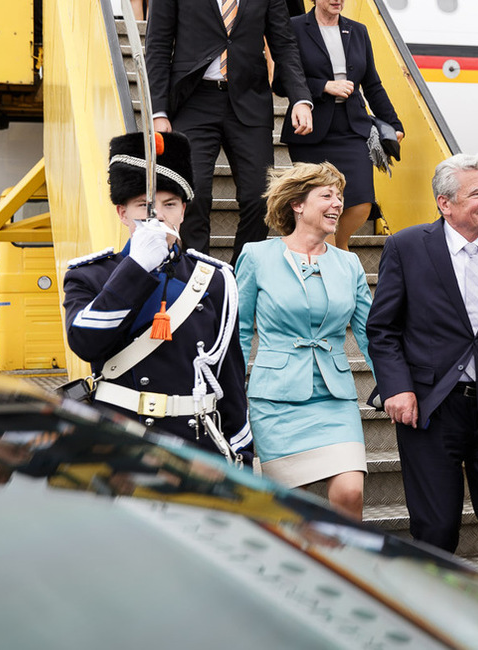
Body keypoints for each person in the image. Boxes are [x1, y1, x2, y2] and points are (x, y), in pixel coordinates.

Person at [365, 153, 478, 582]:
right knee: (437, 530)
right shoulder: (406, 247)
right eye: (477, 192)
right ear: (445, 203)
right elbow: (383, 328)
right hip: (431, 409)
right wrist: (396, 388)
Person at [63, 131, 253, 465]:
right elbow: (85, 343)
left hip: (195, 442)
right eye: (145, 207)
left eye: (170, 205)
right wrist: (136, 268)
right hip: (120, 441)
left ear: (183, 211)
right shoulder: (89, 274)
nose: (159, 217)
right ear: (123, 213)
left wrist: (241, 452)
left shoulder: (216, 278)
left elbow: (229, 375)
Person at [236, 162, 373, 519]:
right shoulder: (256, 256)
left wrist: (395, 384)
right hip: (275, 397)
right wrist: (231, 388)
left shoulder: (350, 264)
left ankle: (345, 570)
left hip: (334, 396)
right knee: (286, 508)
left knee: (350, 492)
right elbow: (238, 329)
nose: (338, 204)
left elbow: (371, 332)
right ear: (298, 204)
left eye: (340, 197)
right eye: (326, 195)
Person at [145, 0, 314, 265]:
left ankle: (239, 276)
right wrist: (159, 112)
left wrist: (300, 98)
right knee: (193, 194)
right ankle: (198, 275)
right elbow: (157, 45)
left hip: (249, 100)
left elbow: (284, 44)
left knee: (261, 197)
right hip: (193, 100)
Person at [276, 0, 403, 251]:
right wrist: (323, 86)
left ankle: (333, 250)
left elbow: (372, 84)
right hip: (311, 130)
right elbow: (280, 83)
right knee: (319, 205)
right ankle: (331, 259)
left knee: (360, 203)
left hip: (353, 129)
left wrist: (393, 123)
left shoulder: (358, 30)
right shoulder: (294, 27)